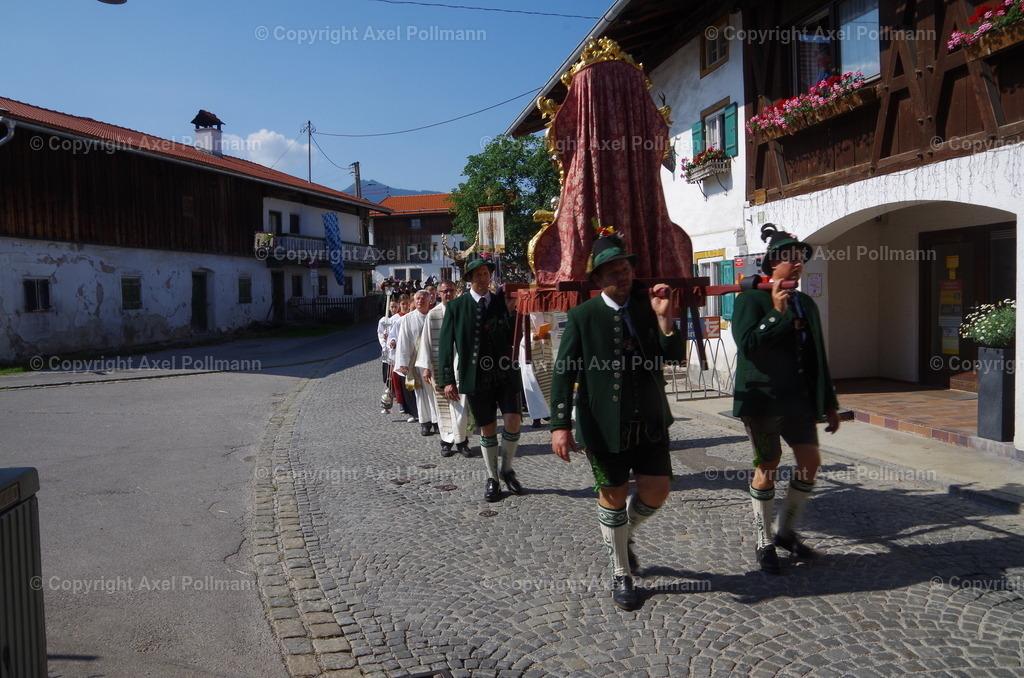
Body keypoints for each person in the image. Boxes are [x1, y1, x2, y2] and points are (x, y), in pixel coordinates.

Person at [549, 233, 685, 611]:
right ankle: (621, 573)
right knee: (612, 493)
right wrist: (560, 425)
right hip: (602, 422)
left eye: (625, 270)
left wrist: (664, 317)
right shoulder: (581, 317)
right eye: (613, 273)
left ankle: (623, 535)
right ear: (598, 280)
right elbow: (563, 373)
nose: (622, 277)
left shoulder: (649, 303)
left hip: (651, 420)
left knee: (657, 490)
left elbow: (674, 356)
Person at [732, 223, 840, 574]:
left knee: (810, 461)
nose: (797, 264)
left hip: (798, 400)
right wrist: (776, 314)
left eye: (800, 259)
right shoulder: (749, 299)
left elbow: (817, 356)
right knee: (768, 465)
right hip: (762, 399)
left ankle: (786, 532)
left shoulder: (806, 302)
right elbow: (748, 345)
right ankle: (764, 541)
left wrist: (829, 403)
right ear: (772, 264)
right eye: (790, 259)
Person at [437, 257, 523, 502]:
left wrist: (512, 311)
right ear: (469, 280)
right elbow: (445, 346)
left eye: (485, 274)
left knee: (513, 421)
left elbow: (512, 336)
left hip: (504, 372)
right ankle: (492, 477)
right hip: (475, 376)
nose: (483, 279)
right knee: (487, 428)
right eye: (477, 275)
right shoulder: (456, 307)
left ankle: (507, 469)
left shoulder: (500, 302)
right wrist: (447, 380)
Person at [417, 280, 471, 457]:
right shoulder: (433, 315)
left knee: (462, 405)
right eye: (444, 291)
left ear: (456, 292)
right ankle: (446, 441)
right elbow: (425, 342)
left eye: (451, 291)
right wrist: (426, 367)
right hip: (440, 368)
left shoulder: (463, 312)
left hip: (461, 367)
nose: (448, 294)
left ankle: (462, 441)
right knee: (443, 407)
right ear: (438, 294)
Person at [395, 289, 437, 436]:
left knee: (435, 392)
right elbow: (403, 341)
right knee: (421, 394)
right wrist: (403, 362)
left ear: (429, 300)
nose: (420, 301)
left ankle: (437, 421)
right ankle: (425, 422)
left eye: (423, 299)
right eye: (417, 299)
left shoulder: (435, 316)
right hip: (416, 363)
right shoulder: (408, 319)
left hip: (433, 362)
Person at [377, 299, 400, 414]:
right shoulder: (384, 321)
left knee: (394, 374)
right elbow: (380, 334)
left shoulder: (398, 319)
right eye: (392, 307)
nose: (393, 309)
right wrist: (384, 340)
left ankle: (395, 393)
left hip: (395, 352)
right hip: (386, 352)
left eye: (395, 306)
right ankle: (389, 391)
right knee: (386, 375)